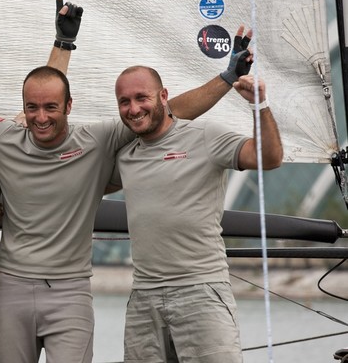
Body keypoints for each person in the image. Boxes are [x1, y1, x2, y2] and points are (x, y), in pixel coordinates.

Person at [0, 0, 253, 363]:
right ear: (23, 108)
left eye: (51, 109)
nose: (40, 117)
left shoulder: (98, 139)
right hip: (11, 286)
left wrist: (225, 78)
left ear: (69, 107)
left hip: (71, 291)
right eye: (31, 109)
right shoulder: (0, 134)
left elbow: (167, 111)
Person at [110, 62, 283, 362]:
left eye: (142, 98)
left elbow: (269, 157)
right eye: (124, 101)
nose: (133, 108)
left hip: (201, 291)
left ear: (164, 96)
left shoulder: (205, 135)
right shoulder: (125, 154)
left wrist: (260, 106)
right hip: (143, 299)